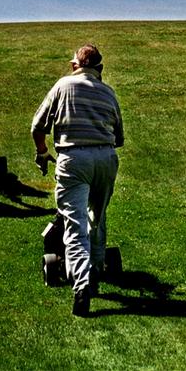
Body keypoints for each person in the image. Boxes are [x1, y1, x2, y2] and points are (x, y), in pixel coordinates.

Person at [31, 43, 124, 317]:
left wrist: (42, 152)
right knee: (98, 215)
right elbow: (119, 137)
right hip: (105, 158)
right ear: (100, 69)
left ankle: (81, 284)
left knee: (74, 223)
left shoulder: (63, 86)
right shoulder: (109, 93)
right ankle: (95, 271)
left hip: (73, 157)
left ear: (75, 66)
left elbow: (38, 126)